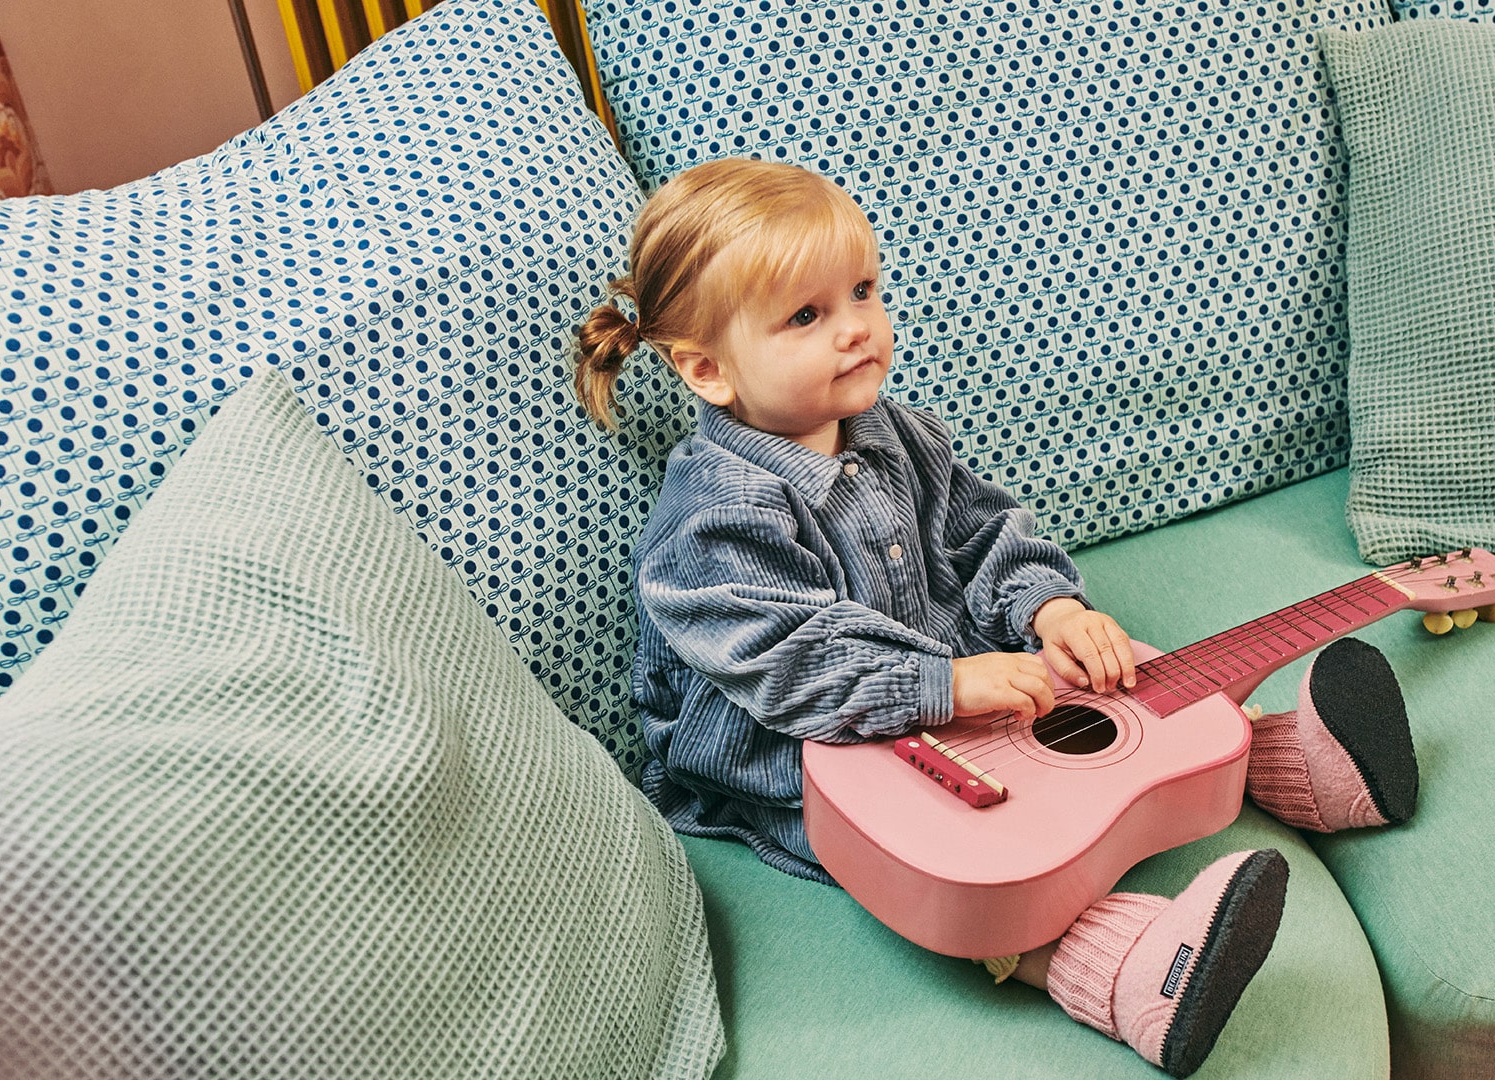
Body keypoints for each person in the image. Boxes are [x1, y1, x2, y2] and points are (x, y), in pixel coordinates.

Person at [573, 158, 1419, 1078]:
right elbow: (789, 659)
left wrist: (1048, 605)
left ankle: (1285, 760)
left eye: (862, 292)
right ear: (707, 370)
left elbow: (984, 532)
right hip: (799, 759)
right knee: (969, 871)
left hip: (958, 679)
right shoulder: (715, 514)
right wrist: (938, 684)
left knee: (1111, 690)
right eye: (807, 317)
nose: (856, 328)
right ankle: (1127, 970)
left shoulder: (896, 432)